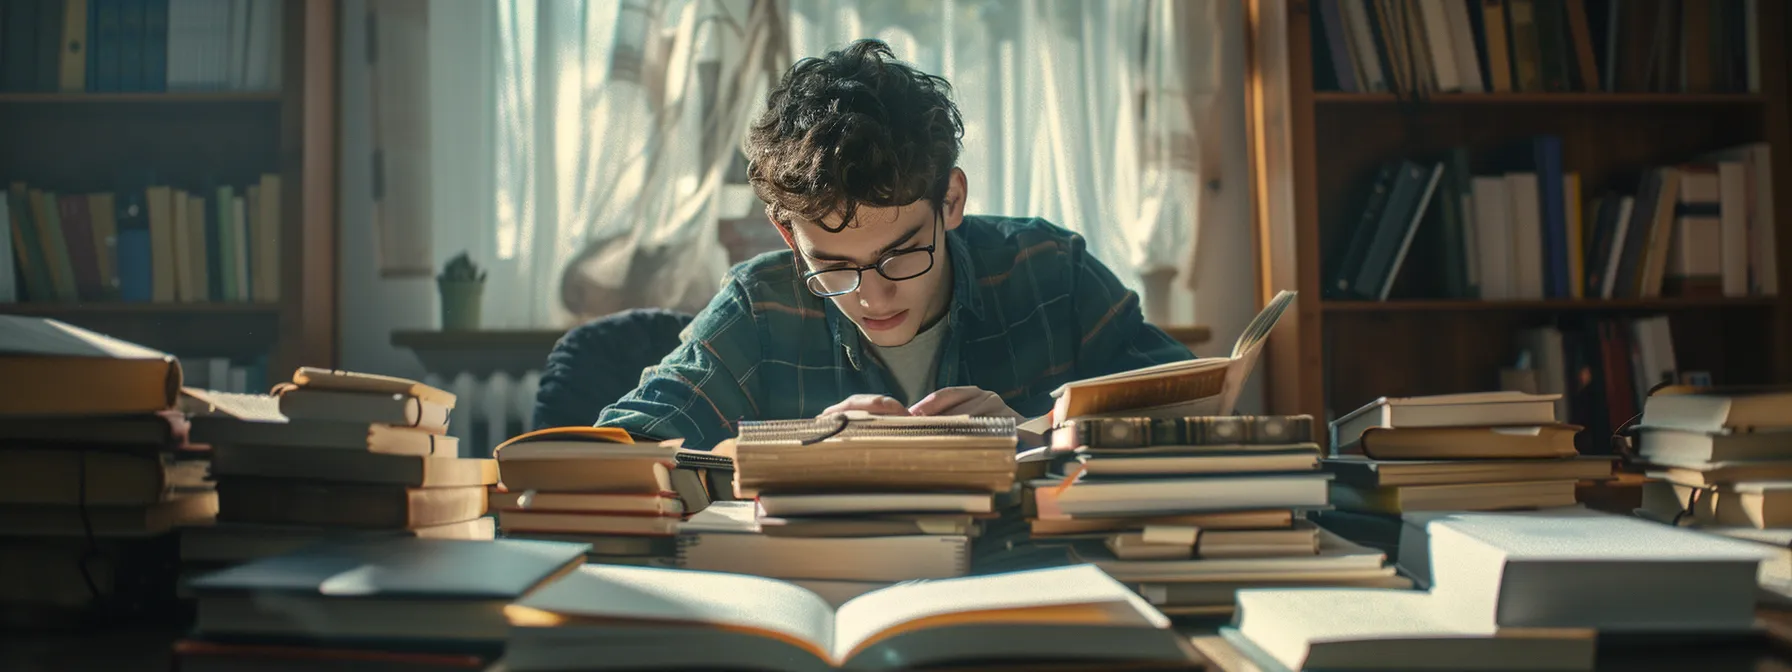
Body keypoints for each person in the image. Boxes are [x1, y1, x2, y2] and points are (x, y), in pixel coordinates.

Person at [595, 38, 1193, 451]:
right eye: (831, 266)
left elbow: (1194, 411)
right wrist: (791, 451)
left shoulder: (1052, 272)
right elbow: (621, 449)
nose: (874, 297)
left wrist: (1045, 431)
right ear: (787, 234)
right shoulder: (760, 306)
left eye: (900, 255)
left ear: (951, 201)